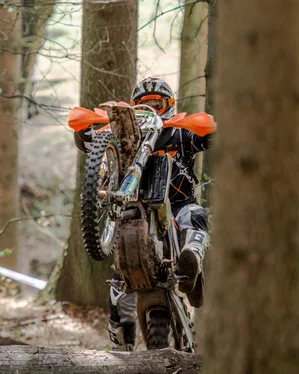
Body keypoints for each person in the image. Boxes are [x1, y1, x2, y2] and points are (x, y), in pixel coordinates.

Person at [73, 77, 215, 349]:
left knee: (195, 214)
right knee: (118, 294)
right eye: (144, 105)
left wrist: (209, 128)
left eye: (157, 105)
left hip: (177, 205)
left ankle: (191, 260)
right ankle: (120, 351)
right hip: (136, 212)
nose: (151, 110)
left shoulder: (180, 134)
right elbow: (88, 141)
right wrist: (85, 129)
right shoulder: (126, 138)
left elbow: (207, 136)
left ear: (169, 106)